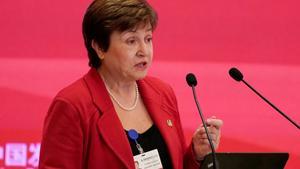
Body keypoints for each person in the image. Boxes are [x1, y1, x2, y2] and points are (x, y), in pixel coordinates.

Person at [38, 0, 223, 169]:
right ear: (100, 47)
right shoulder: (73, 105)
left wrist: (196, 155)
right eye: (131, 41)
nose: (144, 51)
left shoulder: (162, 93)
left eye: (148, 39)